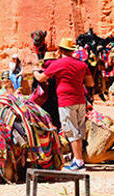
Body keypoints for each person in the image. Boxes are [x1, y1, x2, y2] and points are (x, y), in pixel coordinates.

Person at [33, 37, 94, 171]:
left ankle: (78, 162)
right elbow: (90, 83)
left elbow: (41, 78)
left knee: (71, 130)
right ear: (72, 51)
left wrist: (35, 71)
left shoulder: (58, 64)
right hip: (80, 101)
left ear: (60, 50)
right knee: (79, 130)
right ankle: (77, 158)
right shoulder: (82, 65)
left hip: (66, 101)